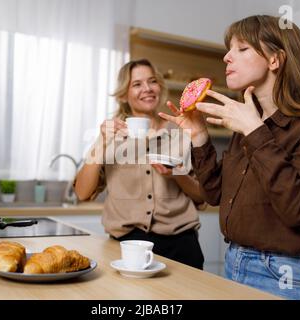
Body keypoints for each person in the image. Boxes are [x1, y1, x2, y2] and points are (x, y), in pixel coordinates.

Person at [159, 15, 300, 299]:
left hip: (288, 274)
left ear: (275, 59)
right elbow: (214, 194)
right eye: (229, 49)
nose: (227, 57)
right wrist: (199, 137)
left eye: (241, 49)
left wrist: (254, 130)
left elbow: (298, 208)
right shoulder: (249, 122)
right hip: (235, 263)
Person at [73, 59, 205, 269]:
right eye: (137, 84)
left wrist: (177, 173)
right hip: (126, 246)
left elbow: (202, 195)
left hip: (180, 244)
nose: (147, 89)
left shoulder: (180, 132)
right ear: (124, 94)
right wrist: (101, 142)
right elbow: (82, 192)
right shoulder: (111, 136)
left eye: (152, 81)